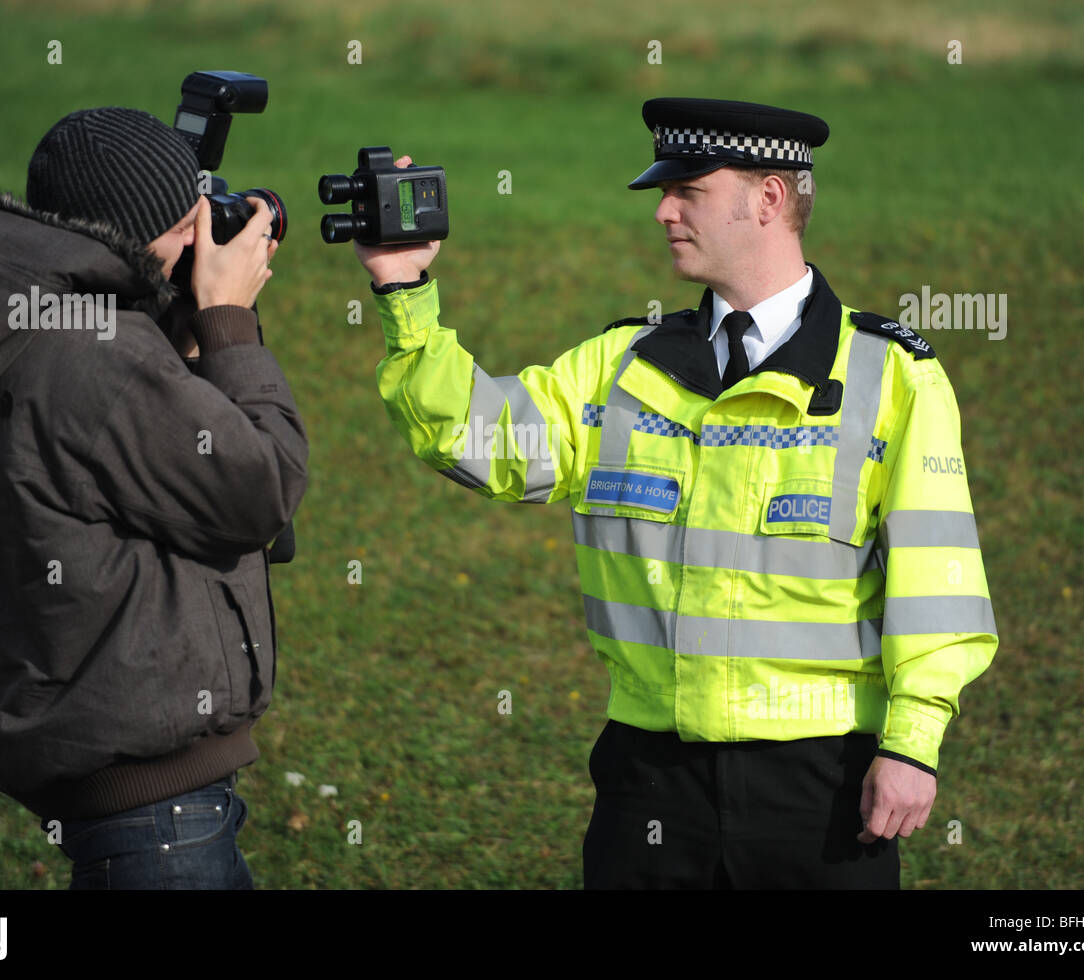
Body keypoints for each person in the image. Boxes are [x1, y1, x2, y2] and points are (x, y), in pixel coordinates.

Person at [351, 98, 998, 888]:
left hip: (822, 787)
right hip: (648, 778)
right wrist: (404, 288)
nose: (662, 211)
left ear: (768, 199)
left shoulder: (893, 376)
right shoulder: (621, 365)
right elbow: (478, 443)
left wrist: (910, 747)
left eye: (688, 190)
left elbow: (940, 587)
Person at [0, 107, 308, 889]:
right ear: (141, 233)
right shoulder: (96, 359)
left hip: (95, 766)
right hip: (155, 812)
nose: (202, 243)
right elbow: (260, 495)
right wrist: (228, 321)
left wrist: (175, 339)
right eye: (190, 223)